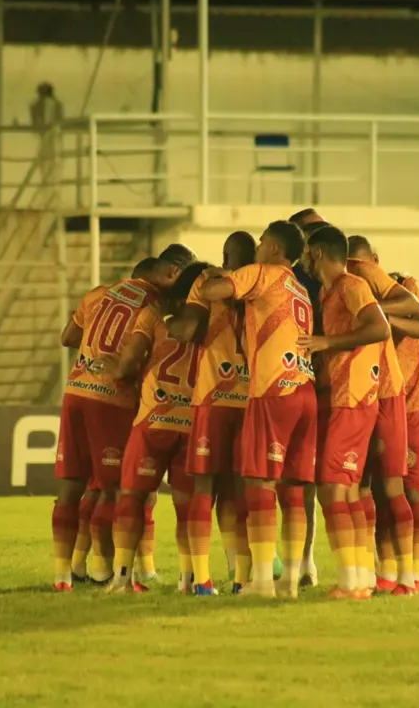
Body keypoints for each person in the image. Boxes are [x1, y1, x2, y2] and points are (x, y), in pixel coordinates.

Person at [196, 220, 317, 598]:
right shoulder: (299, 288)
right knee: (294, 489)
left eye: (262, 241)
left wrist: (216, 276)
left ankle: (263, 581)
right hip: (305, 388)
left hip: (272, 390)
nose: (258, 247)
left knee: (259, 484)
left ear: (276, 250)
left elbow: (215, 290)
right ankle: (291, 581)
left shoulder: (262, 272)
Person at [51, 256, 184, 592]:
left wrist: (93, 354)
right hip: (112, 399)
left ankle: (63, 576)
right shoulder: (153, 306)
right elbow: (128, 365)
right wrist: (129, 376)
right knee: (113, 489)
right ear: (169, 272)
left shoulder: (99, 293)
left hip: (75, 391)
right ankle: (102, 572)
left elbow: (68, 336)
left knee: (71, 488)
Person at [104, 263, 211, 594]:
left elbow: (128, 363)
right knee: (187, 505)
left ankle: (122, 579)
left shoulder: (153, 315)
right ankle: (188, 579)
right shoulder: (213, 322)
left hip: (154, 419)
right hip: (192, 422)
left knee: (132, 497)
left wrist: (116, 368)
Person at [298, 226, 391, 599]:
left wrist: (328, 342)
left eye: (307, 252)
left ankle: (352, 583)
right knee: (347, 491)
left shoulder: (352, 285)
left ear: (317, 254)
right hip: (341, 395)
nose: (303, 258)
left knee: (333, 488)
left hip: (353, 398)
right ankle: (360, 577)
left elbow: (380, 328)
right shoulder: (327, 291)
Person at [169, 232, 257, 595]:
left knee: (203, 488)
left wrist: (166, 319)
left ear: (225, 255)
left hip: (213, 397)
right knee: (239, 493)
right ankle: (240, 579)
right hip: (252, 397)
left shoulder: (208, 281)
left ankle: (202, 580)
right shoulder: (261, 282)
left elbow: (186, 330)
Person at [349, 235, 419, 593]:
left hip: (409, 403)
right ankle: (381, 573)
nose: (359, 274)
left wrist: (381, 317)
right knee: (368, 489)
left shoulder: (404, 288)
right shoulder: (351, 293)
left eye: (364, 266)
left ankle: (411, 574)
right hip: (369, 397)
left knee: (407, 491)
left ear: (376, 261)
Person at [287, 209, 329, 587]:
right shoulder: (291, 276)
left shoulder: (338, 277)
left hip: (318, 385)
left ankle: (304, 561)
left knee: (304, 479)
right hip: (302, 383)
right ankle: (291, 562)